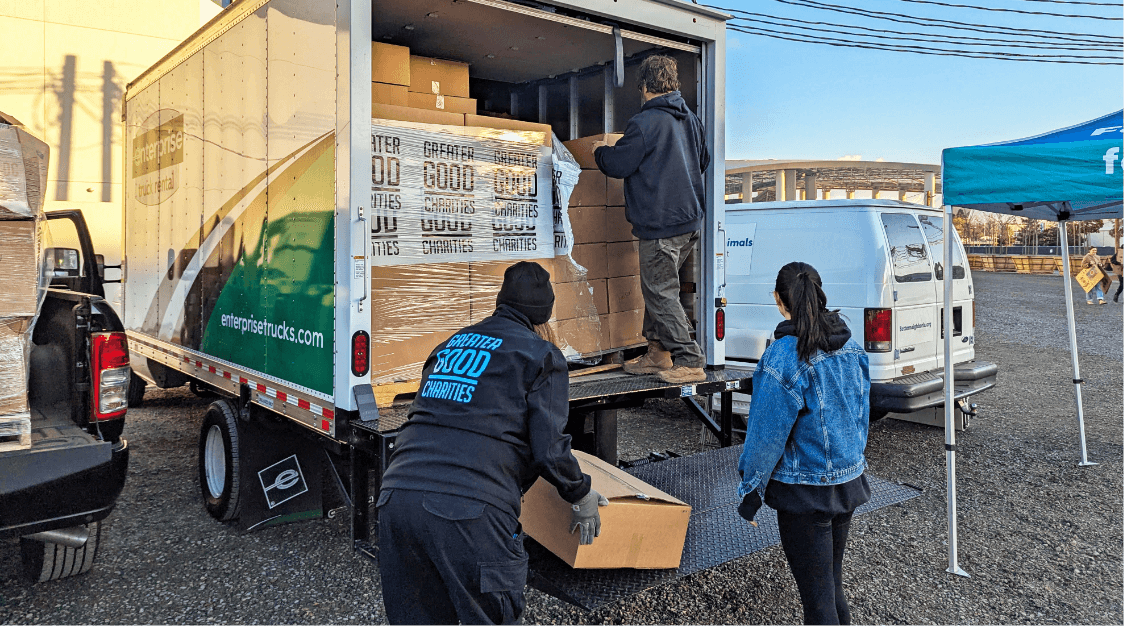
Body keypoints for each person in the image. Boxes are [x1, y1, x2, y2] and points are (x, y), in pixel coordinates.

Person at [376, 261, 608, 626]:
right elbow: (549, 447)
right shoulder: (542, 355)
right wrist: (579, 493)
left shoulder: (450, 345)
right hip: (469, 512)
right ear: (544, 315)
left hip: (396, 500)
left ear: (501, 302)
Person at [735, 262, 871, 626]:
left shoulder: (782, 357)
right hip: (847, 484)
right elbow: (861, 414)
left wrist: (751, 493)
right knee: (830, 588)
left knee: (817, 602)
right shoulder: (851, 347)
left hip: (804, 494)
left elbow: (765, 437)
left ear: (780, 301)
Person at [591, 54, 711, 385]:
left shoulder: (644, 124)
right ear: (673, 85)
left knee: (660, 291)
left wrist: (600, 150)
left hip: (661, 227)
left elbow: (618, 164)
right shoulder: (692, 120)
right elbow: (704, 160)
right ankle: (658, 353)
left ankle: (689, 358)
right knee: (660, 288)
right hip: (689, 224)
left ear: (643, 87)